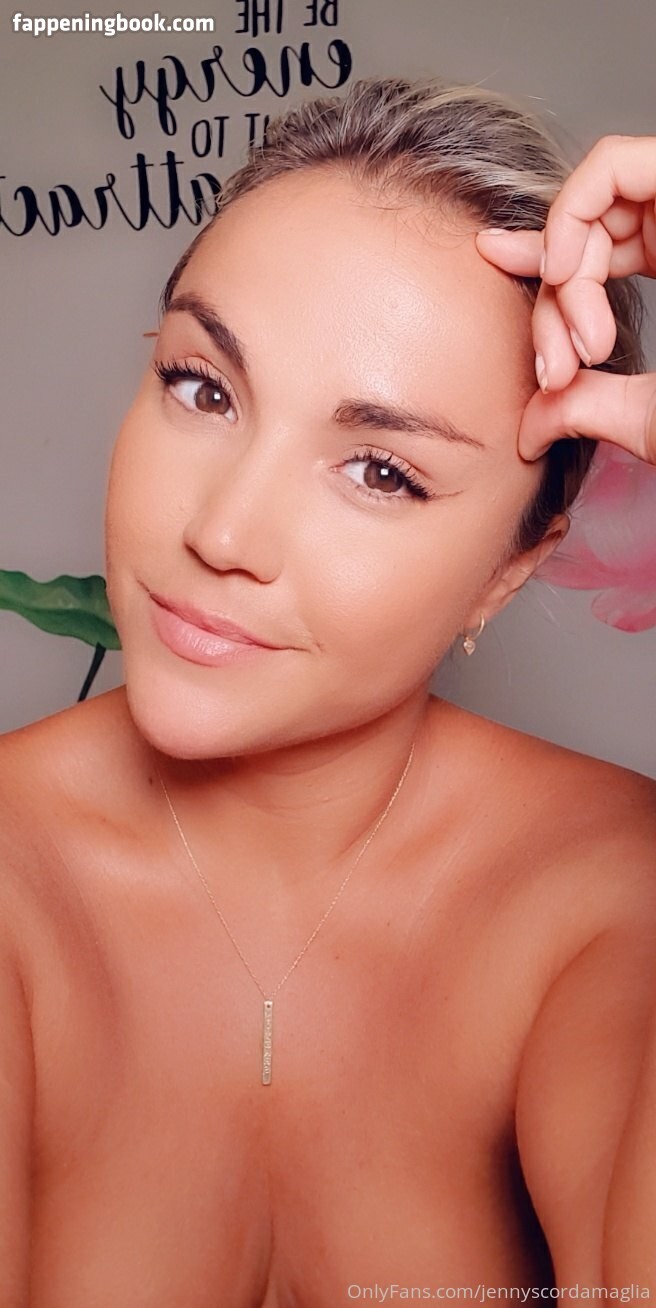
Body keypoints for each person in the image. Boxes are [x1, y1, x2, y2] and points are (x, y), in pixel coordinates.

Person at [1, 76, 655, 1306]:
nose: (223, 533)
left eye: (379, 471)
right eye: (203, 388)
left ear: (509, 567)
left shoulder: (610, 892)